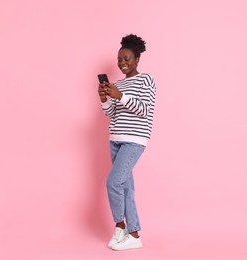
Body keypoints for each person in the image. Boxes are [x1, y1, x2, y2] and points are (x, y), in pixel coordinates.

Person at [98, 34, 156, 251]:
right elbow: (112, 114)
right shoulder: (119, 84)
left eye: (127, 59)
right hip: (116, 140)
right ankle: (134, 235)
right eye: (119, 59)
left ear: (137, 59)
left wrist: (120, 95)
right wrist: (105, 99)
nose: (122, 63)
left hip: (134, 141)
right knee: (126, 189)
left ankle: (120, 225)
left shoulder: (146, 79)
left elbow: (143, 110)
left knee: (114, 183)